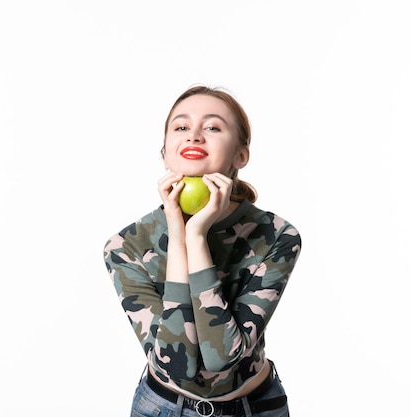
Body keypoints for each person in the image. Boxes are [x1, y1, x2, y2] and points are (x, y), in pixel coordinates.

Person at [104, 85, 302, 417]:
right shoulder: (126, 247)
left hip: (256, 408)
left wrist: (196, 236)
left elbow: (222, 357)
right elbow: (178, 366)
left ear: (241, 155)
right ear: (165, 152)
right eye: (181, 127)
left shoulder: (277, 236)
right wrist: (179, 234)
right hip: (163, 408)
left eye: (212, 127)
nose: (194, 135)